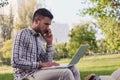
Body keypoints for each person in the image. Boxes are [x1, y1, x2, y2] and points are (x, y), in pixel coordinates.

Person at [11, 8, 81, 80]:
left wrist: (49, 42)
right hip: (25, 76)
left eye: (49, 25)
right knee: (66, 73)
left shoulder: (38, 39)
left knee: (73, 68)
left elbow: (47, 62)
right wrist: (40, 64)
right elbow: (15, 62)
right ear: (36, 21)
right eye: (46, 24)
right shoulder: (22, 34)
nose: (48, 28)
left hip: (38, 72)